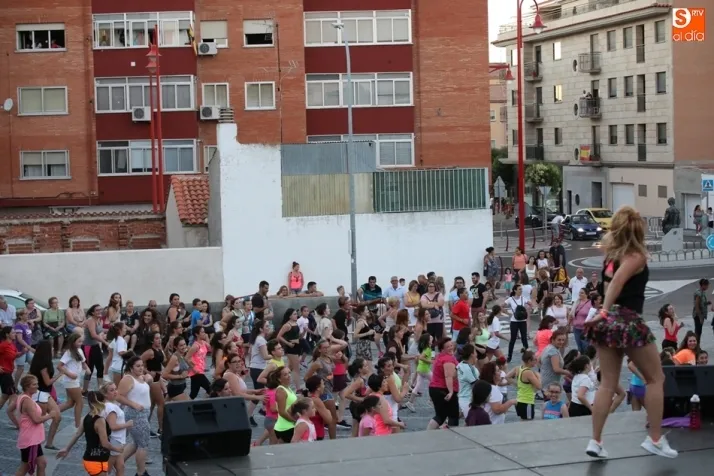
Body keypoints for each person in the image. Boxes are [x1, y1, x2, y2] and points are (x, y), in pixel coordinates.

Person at [583, 206, 676, 459]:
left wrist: (604, 313)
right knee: (655, 379)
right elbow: (617, 282)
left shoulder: (610, 258)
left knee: (607, 384)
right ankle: (655, 439)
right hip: (627, 320)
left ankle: (595, 441)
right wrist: (604, 310)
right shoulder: (636, 256)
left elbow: (608, 284)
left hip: (609, 324)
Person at [57, 391, 123, 476]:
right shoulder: (100, 421)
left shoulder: (86, 417)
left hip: (89, 458)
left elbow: (77, 434)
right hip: (97, 460)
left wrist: (67, 448)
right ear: (102, 403)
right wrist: (117, 449)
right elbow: (105, 443)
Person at [15, 375, 56, 476]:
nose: (37, 386)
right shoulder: (27, 401)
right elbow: (36, 420)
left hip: (32, 438)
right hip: (29, 439)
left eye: (37, 384)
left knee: (42, 463)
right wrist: (50, 415)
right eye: (34, 384)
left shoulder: (23, 397)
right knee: (25, 467)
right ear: (27, 386)